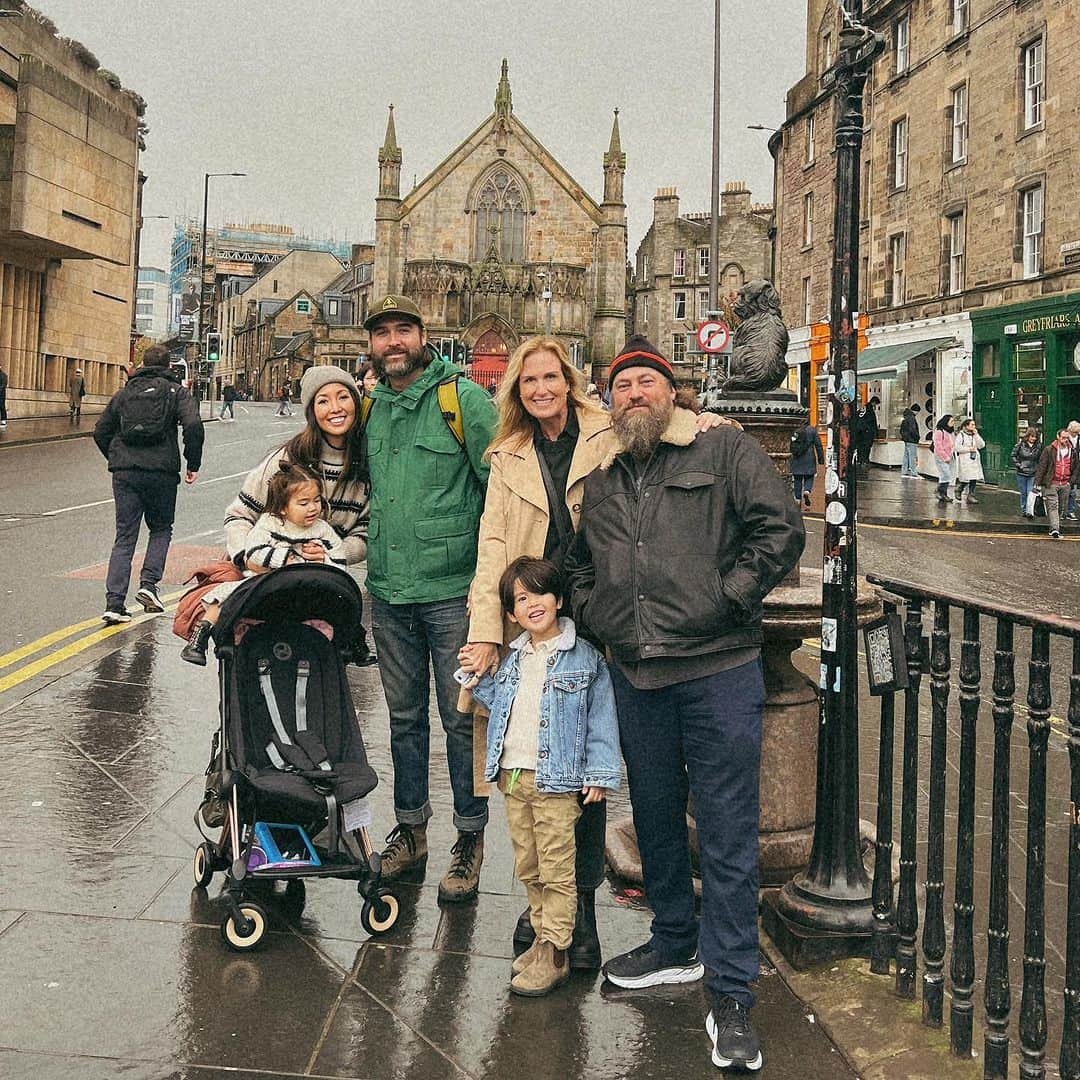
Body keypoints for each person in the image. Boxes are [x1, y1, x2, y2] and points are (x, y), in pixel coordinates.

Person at [564, 335, 804, 1073]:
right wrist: (601, 617)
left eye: (646, 382)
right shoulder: (601, 477)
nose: (634, 394)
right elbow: (578, 568)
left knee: (727, 832)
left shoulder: (723, 451)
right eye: (621, 385)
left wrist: (726, 600)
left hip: (717, 670)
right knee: (660, 820)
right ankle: (675, 940)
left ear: (672, 393)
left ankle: (732, 993)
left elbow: (780, 530)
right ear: (609, 400)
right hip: (638, 676)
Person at [459, 334, 727, 967]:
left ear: (571, 381)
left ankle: (577, 915)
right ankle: (549, 906)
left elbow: (660, 416)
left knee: (585, 771)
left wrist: (707, 418)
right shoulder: (507, 454)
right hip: (536, 618)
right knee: (537, 764)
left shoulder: (605, 428)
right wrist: (486, 632)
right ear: (516, 392)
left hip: (604, 611)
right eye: (529, 382)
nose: (542, 389)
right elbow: (492, 545)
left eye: (551, 377)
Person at [362, 294, 496, 903]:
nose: (393, 342)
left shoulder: (462, 401)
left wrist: (498, 587)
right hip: (388, 593)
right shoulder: (370, 408)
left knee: (461, 720)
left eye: (403, 331)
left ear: (424, 336)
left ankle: (469, 838)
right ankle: (411, 829)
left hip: (452, 595)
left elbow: (503, 487)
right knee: (404, 720)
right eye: (382, 333)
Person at [463, 556, 620, 997]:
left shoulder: (584, 659)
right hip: (514, 778)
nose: (533, 605)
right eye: (521, 599)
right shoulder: (513, 659)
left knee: (556, 868)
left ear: (559, 599)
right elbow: (501, 704)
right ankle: (541, 936)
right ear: (511, 614)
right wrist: (474, 677)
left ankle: (556, 949)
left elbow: (601, 721)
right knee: (528, 867)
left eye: (540, 593)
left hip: (556, 782)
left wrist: (600, 772)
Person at [182, 463, 347, 665]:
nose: (312, 508)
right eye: (303, 503)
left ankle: (353, 640)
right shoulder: (269, 523)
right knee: (224, 595)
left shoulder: (323, 529)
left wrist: (323, 560)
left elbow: (339, 560)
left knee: (340, 600)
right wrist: (285, 558)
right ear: (283, 509)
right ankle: (200, 637)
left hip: (305, 588)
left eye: (316, 500)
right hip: (265, 583)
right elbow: (253, 552)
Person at [93, 344, 204, 624]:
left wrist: (117, 458)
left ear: (142, 363)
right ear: (169, 367)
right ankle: (148, 585)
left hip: (125, 473)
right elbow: (193, 425)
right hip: (161, 472)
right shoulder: (176, 392)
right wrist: (193, 463)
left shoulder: (124, 393)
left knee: (125, 536)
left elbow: (100, 431)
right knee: (161, 528)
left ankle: (114, 604)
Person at [1034, 428, 1079, 539]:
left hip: (1065, 483)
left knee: (1060, 508)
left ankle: (1054, 526)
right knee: (1053, 506)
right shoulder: (1049, 450)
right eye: (1063, 438)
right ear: (1058, 437)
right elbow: (1042, 466)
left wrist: (1071, 482)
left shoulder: (1072, 451)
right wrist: (1037, 482)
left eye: (1067, 438)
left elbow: (1076, 468)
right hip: (1052, 483)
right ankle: (1055, 529)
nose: (1065, 440)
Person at [789, 421, 824, 509]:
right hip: (809, 458)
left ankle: (797, 499)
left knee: (797, 479)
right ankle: (807, 491)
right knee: (809, 477)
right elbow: (818, 446)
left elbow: (791, 444)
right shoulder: (812, 430)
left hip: (797, 458)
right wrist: (821, 460)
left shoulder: (795, 430)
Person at [1010, 427, 1042, 518]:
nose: (1033, 439)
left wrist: (1038, 469)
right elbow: (1013, 456)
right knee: (1023, 492)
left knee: (1030, 492)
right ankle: (1024, 510)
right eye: (1032, 437)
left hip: (1033, 472)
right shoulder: (1020, 445)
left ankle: (1029, 511)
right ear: (1027, 436)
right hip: (1021, 472)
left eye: (1035, 437)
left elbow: (1041, 459)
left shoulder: (1039, 446)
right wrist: (1019, 465)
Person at [953, 417, 985, 504]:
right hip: (965, 459)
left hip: (974, 459)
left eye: (974, 425)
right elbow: (957, 447)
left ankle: (971, 495)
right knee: (966, 477)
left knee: (974, 478)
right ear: (966, 426)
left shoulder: (974, 435)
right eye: (972, 425)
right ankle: (959, 489)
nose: (974, 426)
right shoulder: (961, 435)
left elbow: (981, 445)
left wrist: (976, 435)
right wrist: (968, 449)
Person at [932, 414, 958, 505]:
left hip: (950, 456)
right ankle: (940, 491)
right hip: (941, 456)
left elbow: (953, 444)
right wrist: (945, 457)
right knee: (946, 474)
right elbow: (938, 446)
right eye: (951, 421)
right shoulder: (939, 432)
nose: (953, 423)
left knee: (946, 475)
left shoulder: (951, 432)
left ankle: (942, 493)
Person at [852, 394, 879, 474]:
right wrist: (873, 431)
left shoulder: (863, 408)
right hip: (866, 432)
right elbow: (872, 422)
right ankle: (865, 460)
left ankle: (860, 460)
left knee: (861, 446)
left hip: (860, 432)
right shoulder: (869, 409)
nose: (876, 406)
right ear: (874, 402)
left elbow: (858, 418)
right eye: (876, 404)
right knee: (866, 447)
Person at [899, 403, 921, 477]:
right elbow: (913, 430)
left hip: (906, 440)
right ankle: (914, 472)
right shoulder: (911, 418)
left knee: (906, 456)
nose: (917, 413)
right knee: (912, 456)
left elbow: (902, 430)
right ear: (916, 411)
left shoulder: (906, 417)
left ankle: (904, 471)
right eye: (918, 412)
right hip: (912, 440)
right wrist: (917, 437)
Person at [1068, 420, 1079, 521]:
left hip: (1076, 468)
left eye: (1077, 432)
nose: (1076, 434)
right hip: (1065, 468)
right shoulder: (1065, 438)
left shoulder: (1079, 440)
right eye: (1074, 432)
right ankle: (1063, 512)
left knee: (1073, 492)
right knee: (1063, 492)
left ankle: (1070, 511)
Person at [0, 361, 8, 429]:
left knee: (2, 406)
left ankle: (3, 420)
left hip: (1, 395)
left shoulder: (3, 375)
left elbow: (3, 385)